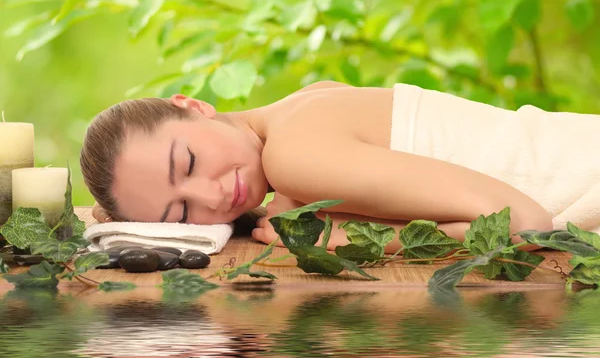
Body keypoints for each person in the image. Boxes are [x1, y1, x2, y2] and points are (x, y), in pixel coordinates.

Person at [82, 80, 573, 254]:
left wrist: (335, 236)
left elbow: (525, 225)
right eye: (180, 215)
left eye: (187, 161)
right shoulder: (308, 101)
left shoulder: (291, 156)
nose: (211, 198)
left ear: (192, 105)